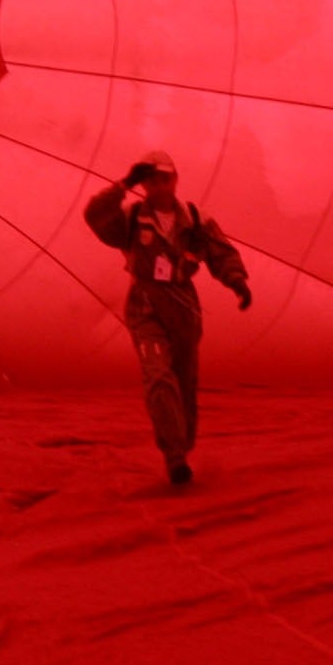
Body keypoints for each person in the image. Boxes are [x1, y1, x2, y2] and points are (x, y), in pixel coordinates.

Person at [82, 151, 249, 485]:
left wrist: (237, 281)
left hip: (183, 307)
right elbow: (95, 215)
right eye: (150, 179)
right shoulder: (130, 219)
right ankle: (174, 457)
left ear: (175, 179)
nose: (158, 185)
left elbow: (220, 252)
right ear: (143, 184)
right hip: (145, 305)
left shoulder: (195, 219)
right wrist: (124, 183)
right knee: (158, 376)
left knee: (184, 380)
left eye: (164, 177)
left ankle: (183, 445)